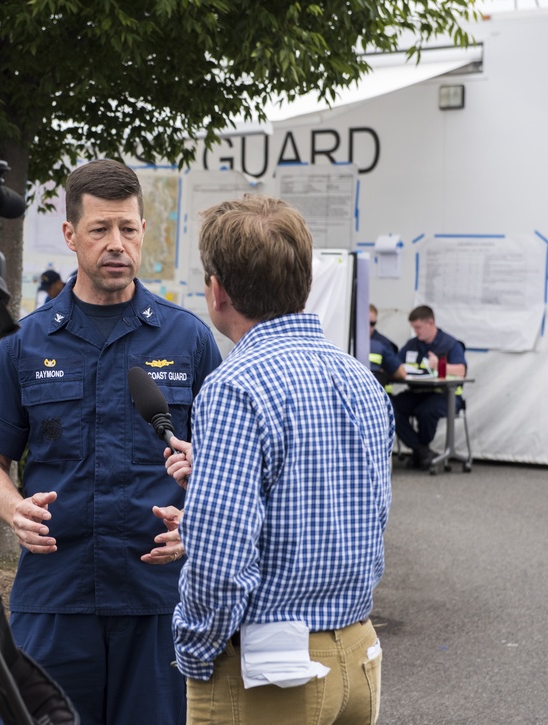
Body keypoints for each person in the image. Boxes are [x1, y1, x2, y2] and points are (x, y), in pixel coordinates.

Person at [0, 158, 222, 724]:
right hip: (56, 595)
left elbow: (229, 467)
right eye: (100, 229)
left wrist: (200, 517)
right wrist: (14, 509)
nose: (116, 244)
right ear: (70, 236)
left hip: (157, 597)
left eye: (128, 229)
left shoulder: (189, 339)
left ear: (143, 233)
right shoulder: (25, 344)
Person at [164, 194, 393, 724]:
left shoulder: (234, 387)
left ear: (217, 291)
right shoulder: (359, 377)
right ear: (303, 281)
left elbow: (221, 562)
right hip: (359, 654)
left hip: (270, 671)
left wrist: (194, 649)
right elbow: (357, 508)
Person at [392, 305, 467, 469]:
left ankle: (420, 451)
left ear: (430, 323)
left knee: (426, 411)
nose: (415, 331)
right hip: (417, 392)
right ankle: (421, 450)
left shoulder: (450, 344)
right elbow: (396, 364)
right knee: (389, 407)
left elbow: (461, 370)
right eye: (413, 327)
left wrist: (441, 366)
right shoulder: (412, 344)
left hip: (445, 395)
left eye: (418, 327)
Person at [368, 303, 405, 386]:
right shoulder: (346, 339)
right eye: (365, 322)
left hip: (380, 392)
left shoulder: (383, 344)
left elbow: (400, 373)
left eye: (372, 323)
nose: (369, 327)